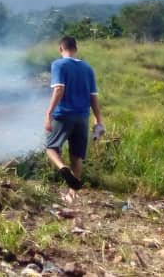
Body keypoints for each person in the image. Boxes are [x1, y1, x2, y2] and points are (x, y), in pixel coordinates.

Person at [44, 35, 104, 203]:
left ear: (60, 49)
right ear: (76, 48)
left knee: (51, 147)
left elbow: (59, 89)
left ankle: (63, 168)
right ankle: (72, 194)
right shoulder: (88, 68)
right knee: (77, 155)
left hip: (63, 114)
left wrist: (48, 113)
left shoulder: (58, 64)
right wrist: (98, 119)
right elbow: (93, 97)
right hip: (82, 116)